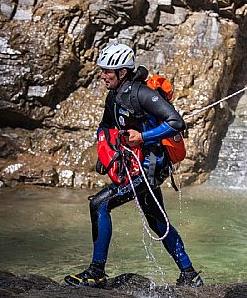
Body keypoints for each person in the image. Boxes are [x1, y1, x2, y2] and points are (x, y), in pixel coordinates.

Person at [64, 43, 203, 288]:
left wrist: (144, 137)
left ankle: (96, 272)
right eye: (102, 69)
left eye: (108, 70)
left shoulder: (142, 94)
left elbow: (176, 123)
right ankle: (190, 274)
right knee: (157, 219)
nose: (102, 75)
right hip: (136, 165)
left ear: (123, 72)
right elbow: (106, 126)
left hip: (150, 168)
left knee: (99, 205)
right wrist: (105, 153)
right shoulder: (114, 95)